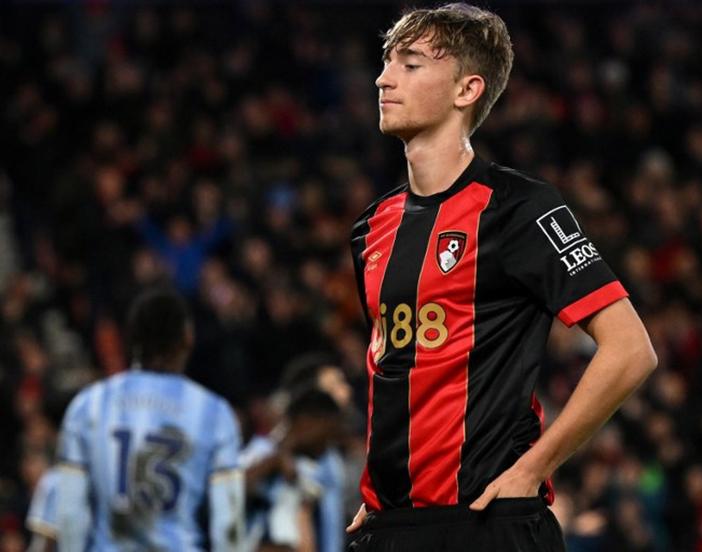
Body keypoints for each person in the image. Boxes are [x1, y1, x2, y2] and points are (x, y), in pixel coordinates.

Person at [347, 3, 657, 551]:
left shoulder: (520, 209)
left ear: (467, 90)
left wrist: (532, 470)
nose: (384, 78)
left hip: (489, 524)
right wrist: (381, 491)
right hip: (391, 527)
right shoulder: (373, 226)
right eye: (387, 62)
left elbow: (630, 350)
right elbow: (396, 366)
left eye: (411, 64)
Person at [54, 288, 244, 551]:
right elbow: (228, 525)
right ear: (188, 337)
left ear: (129, 339)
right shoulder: (214, 412)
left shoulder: (88, 404)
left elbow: (70, 515)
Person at [241, 388, 343, 552]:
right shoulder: (260, 451)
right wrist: (274, 462)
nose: (326, 445)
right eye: (327, 434)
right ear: (306, 422)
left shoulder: (320, 466)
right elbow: (232, 488)